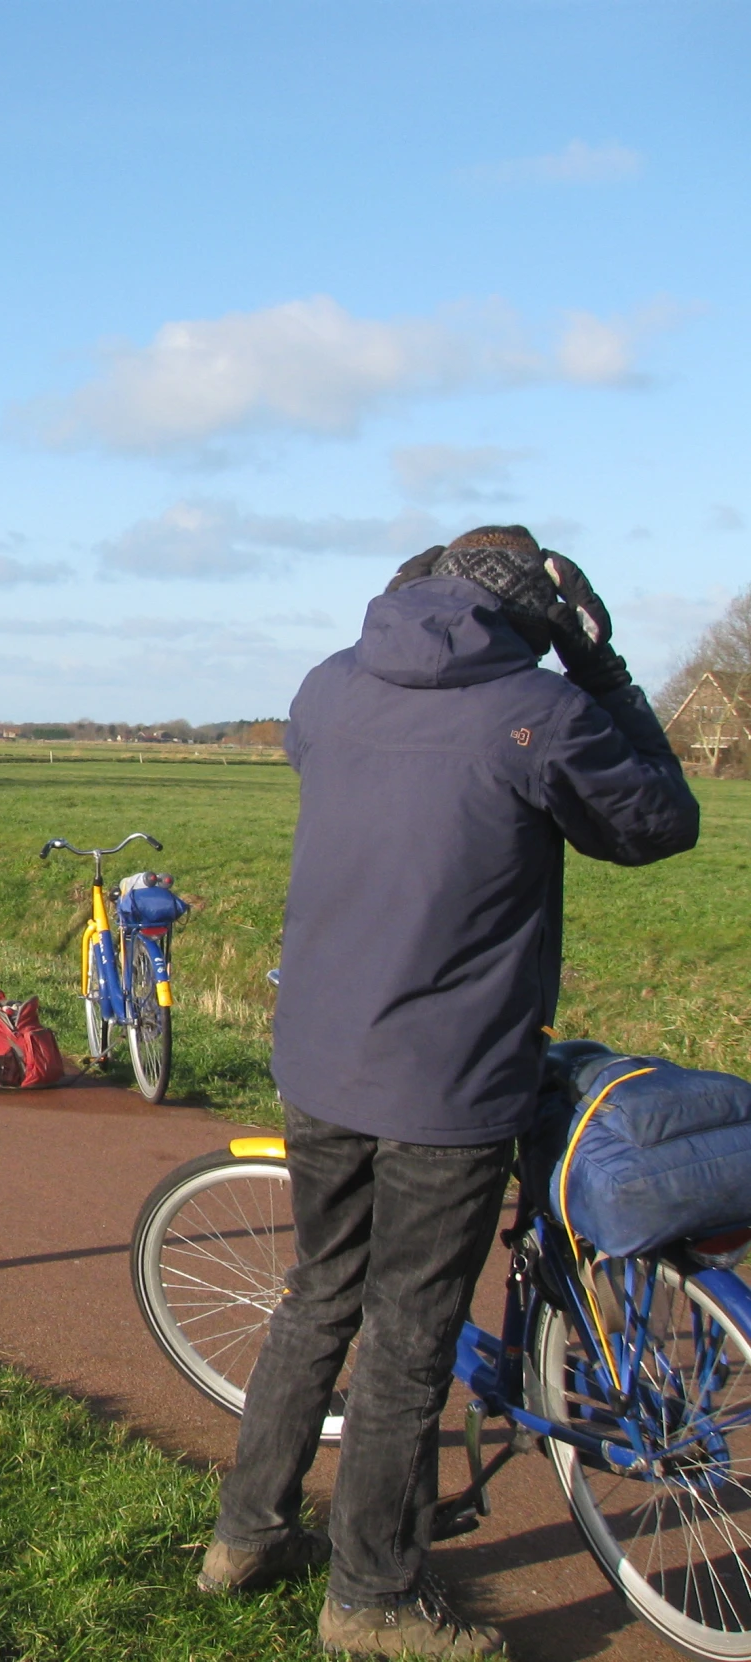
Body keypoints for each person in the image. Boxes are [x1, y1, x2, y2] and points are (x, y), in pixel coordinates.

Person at [198, 526, 701, 1656]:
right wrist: (602, 674)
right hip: (448, 1074)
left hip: (322, 1054)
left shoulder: (326, 685)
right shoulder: (539, 710)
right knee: (408, 1337)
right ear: (541, 615)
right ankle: (369, 1598)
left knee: (319, 1292)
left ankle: (244, 1536)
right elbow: (659, 825)